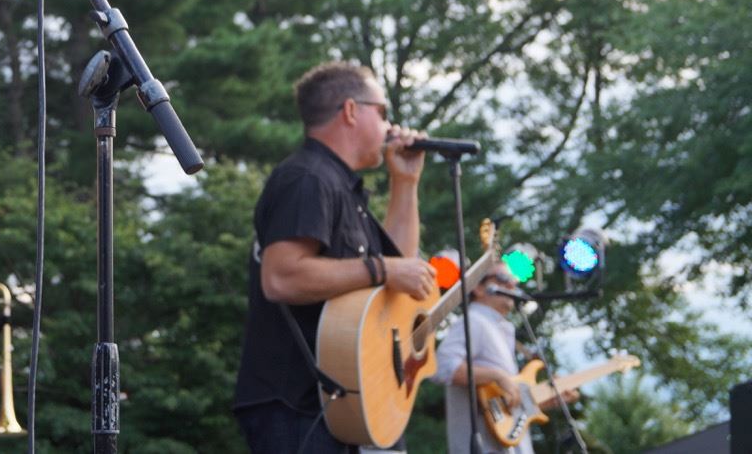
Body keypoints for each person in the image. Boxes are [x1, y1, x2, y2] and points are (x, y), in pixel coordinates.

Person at [233, 62, 437, 453]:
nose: (390, 126)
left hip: (341, 405)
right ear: (350, 111)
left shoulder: (342, 187)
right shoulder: (307, 178)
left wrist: (406, 183)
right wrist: (382, 268)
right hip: (296, 407)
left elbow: (399, 273)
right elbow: (281, 278)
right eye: (383, 112)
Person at [431, 264, 576, 454]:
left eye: (513, 280)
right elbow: (440, 367)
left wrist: (545, 401)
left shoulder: (498, 328)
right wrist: (497, 376)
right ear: (478, 287)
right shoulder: (474, 320)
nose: (511, 285)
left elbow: (506, 406)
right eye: (502, 278)